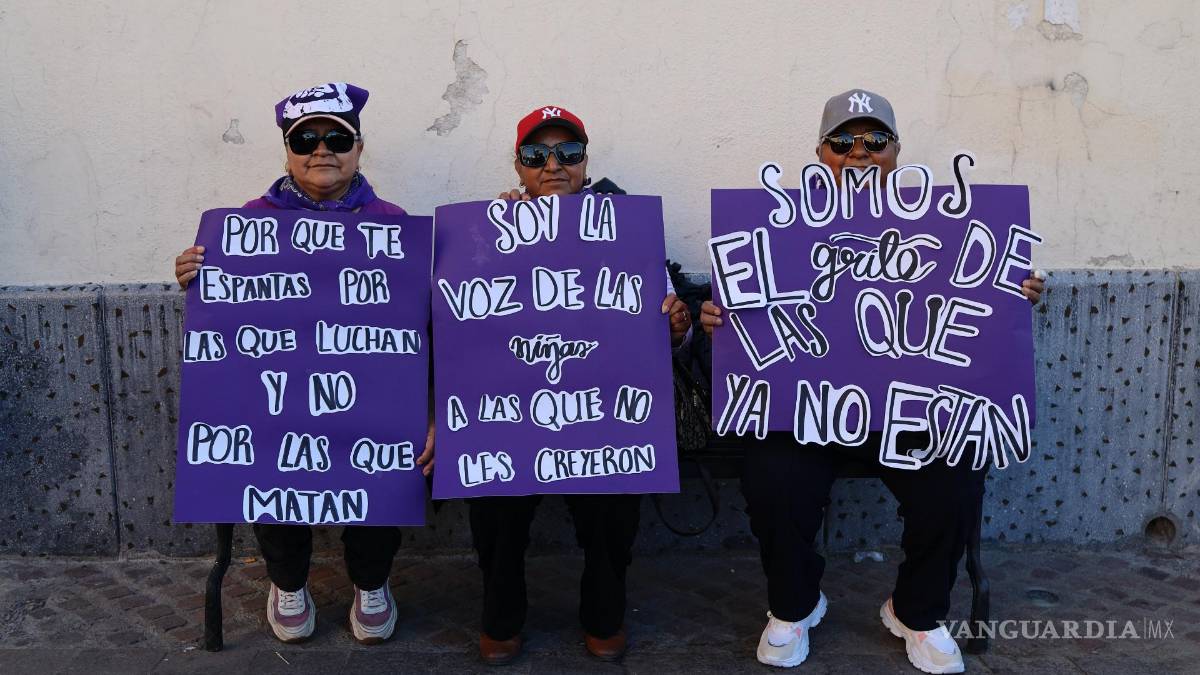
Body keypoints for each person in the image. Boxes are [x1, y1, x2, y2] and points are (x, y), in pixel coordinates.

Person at [699, 89, 1045, 674]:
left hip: (913, 410)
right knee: (773, 478)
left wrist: (1013, 293)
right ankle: (794, 605)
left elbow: (983, 298)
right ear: (820, 152)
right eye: (843, 141)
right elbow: (743, 310)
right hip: (804, 406)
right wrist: (719, 318)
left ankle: (917, 610)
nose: (859, 152)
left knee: (955, 478)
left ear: (897, 150)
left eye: (874, 140)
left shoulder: (950, 226)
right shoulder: (776, 226)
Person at [173, 82, 433, 645]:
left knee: (378, 479)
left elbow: (418, 318)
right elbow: (228, 317)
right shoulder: (247, 224)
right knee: (275, 476)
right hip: (278, 395)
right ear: (287, 151)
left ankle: (372, 583)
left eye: (337, 138)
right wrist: (198, 275)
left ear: (359, 149)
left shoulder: (392, 222)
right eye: (306, 138)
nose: (322, 150)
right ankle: (287, 582)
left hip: (369, 396)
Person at [471, 105, 692, 665]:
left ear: (585, 162)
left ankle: (604, 613)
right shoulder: (484, 231)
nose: (553, 164)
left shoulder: (626, 228)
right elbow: (458, 325)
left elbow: (668, 334)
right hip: (510, 409)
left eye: (568, 153)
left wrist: (675, 327)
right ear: (518, 166)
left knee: (613, 503)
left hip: (602, 410)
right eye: (536, 154)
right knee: (494, 500)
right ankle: (501, 616)